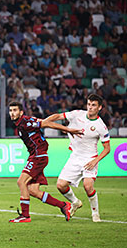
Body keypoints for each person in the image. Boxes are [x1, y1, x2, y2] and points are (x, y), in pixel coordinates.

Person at [8, 101, 83, 223]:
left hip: (38, 156)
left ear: (21, 112)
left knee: (21, 182)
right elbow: (45, 121)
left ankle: (25, 216)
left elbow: (47, 124)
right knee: (33, 190)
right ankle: (63, 205)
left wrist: (68, 130)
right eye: (10, 110)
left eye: (15, 110)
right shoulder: (22, 123)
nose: (12, 113)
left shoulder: (26, 122)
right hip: (36, 156)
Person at [42, 94, 110, 222]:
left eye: (93, 105)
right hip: (75, 157)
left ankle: (95, 213)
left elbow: (107, 148)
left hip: (90, 158)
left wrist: (95, 161)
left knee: (88, 186)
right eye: (89, 104)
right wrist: (44, 121)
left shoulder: (101, 126)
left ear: (99, 108)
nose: (90, 107)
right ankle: (75, 202)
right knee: (60, 185)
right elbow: (58, 116)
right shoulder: (77, 114)